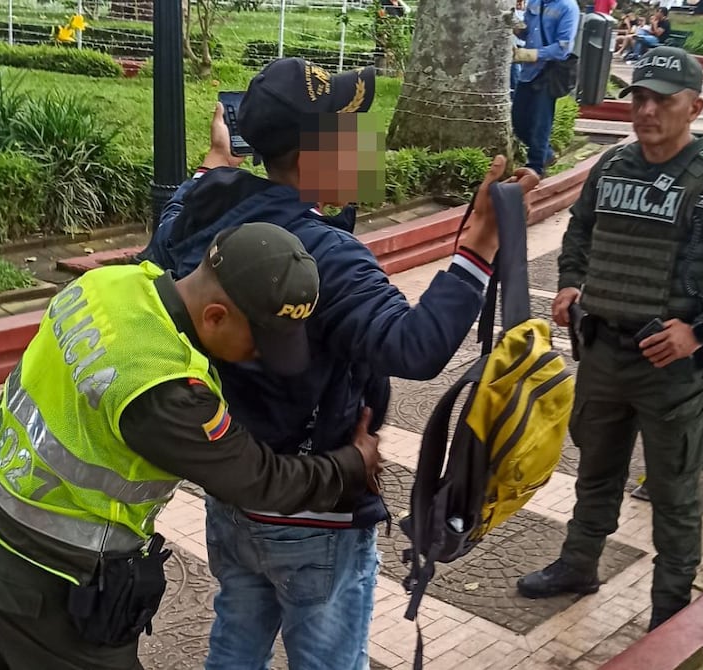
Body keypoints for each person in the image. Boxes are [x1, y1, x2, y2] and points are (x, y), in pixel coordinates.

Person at [137, 58, 537, 670]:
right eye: (353, 131)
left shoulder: (202, 211)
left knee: (236, 638)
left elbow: (185, 208)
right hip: (316, 509)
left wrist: (216, 166)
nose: (368, 143)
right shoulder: (327, 257)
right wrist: (478, 248)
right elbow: (415, 347)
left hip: (235, 489)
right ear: (313, 154)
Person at [0, 222, 387, 669]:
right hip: (39, 577)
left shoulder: (111, 282)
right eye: (261, 342)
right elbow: (259, 479)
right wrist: (352, 463)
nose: (262, 359)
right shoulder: (165, 388)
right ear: (215, 316)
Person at [515, 46, 703, 631]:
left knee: (674, 493)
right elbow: (579, 231)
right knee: (596, 473)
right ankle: (578, 565)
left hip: (672, 371)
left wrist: (699, 331)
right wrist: (569, 284)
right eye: (640, 97)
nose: (647, 110)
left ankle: (670, 611)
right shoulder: (612, 166)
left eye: (664, 99)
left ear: (695, 107)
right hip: (604, 351)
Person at [512, 0, 582, 175]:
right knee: (518, 121)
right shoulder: (535, 2)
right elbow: (528, 32)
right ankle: (547, 153)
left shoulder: (568, 7)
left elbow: (563, 47)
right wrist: (516, 27)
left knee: (540, 122)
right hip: (528, 72)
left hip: (548, 72)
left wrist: (534, 54)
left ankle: (535, 168)